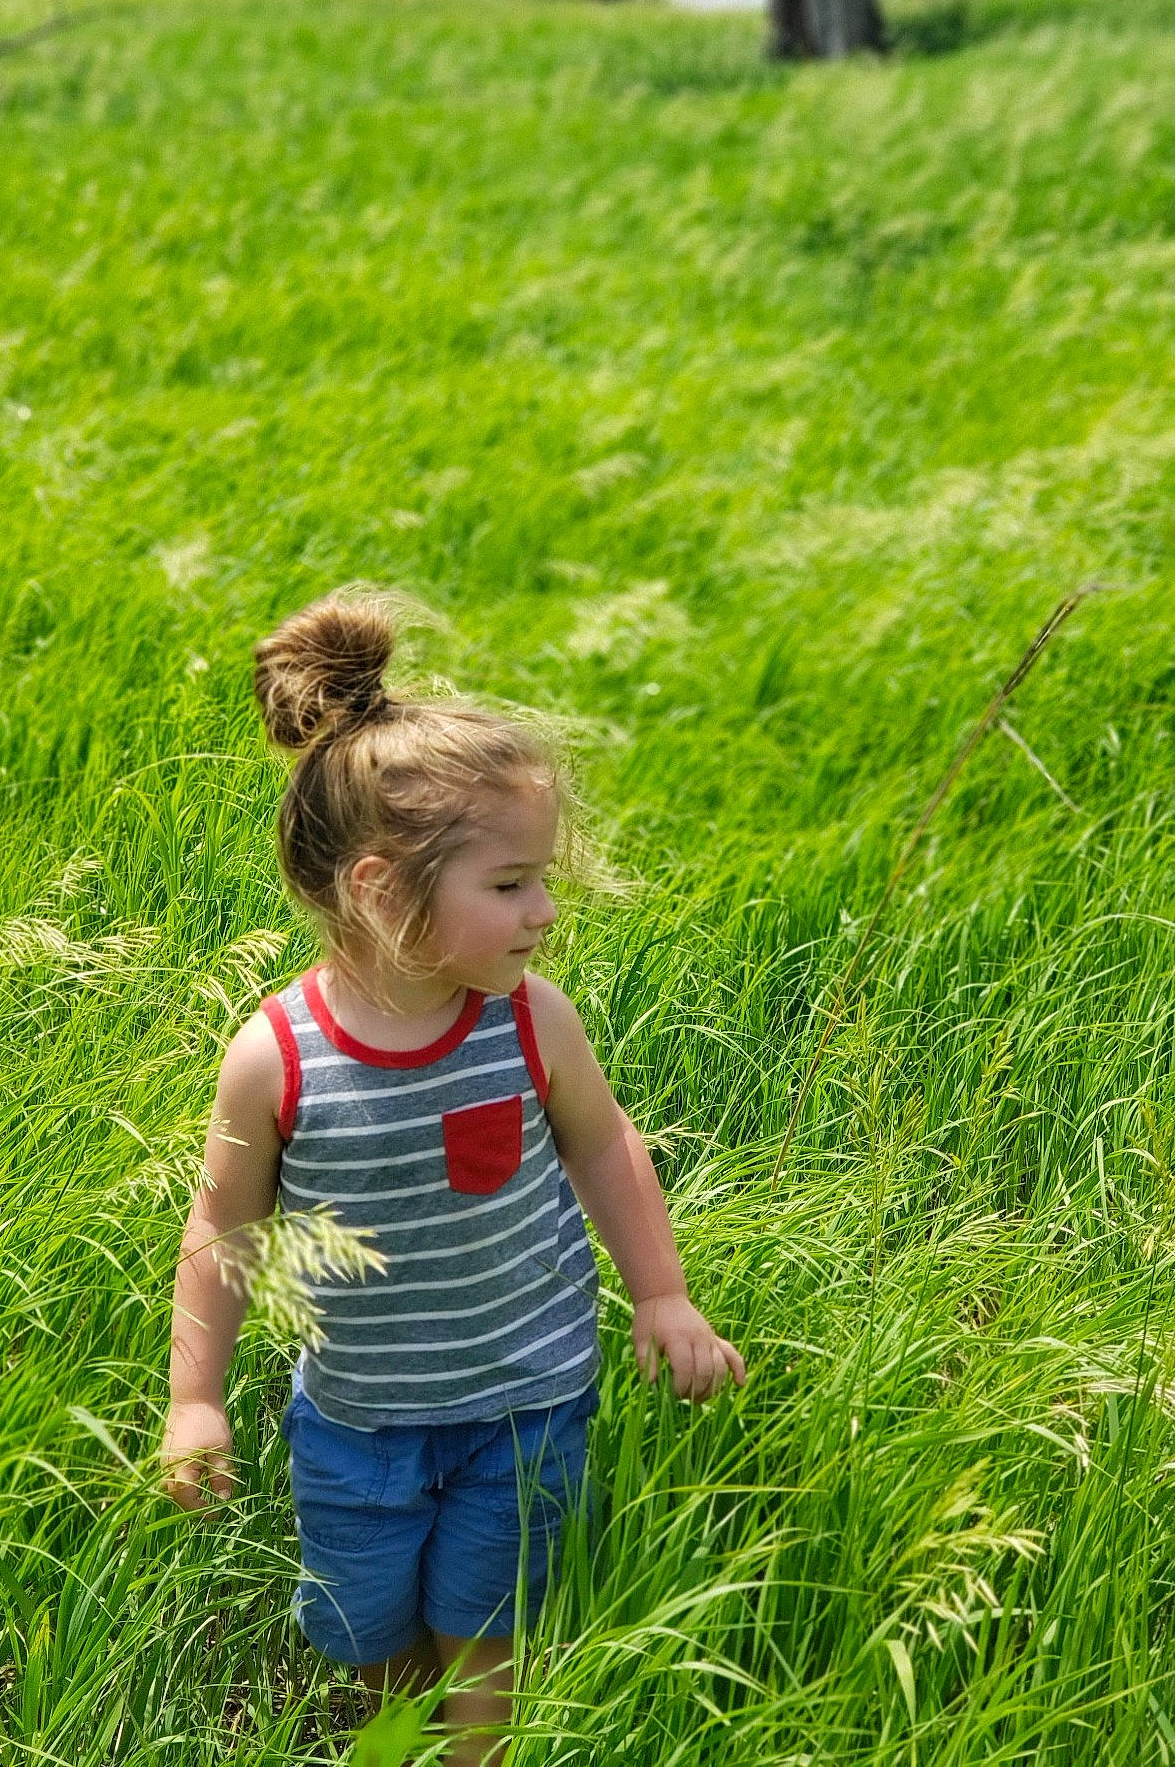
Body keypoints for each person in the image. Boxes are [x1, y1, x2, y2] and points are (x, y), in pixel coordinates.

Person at [160, 590, 745, 1764]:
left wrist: (663, 1291)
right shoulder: (279, 1056)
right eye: (512, 883)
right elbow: (223, 1226)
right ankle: (392, 1726)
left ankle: (476, 1750)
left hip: (527, 1401)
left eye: (541, 879)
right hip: (361, 1421)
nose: (544, 910)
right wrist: (197, 1395)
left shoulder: (529, 1022)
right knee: (367, 1629)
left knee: (492, 1624)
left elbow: (603, 1142)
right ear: (382, 889)